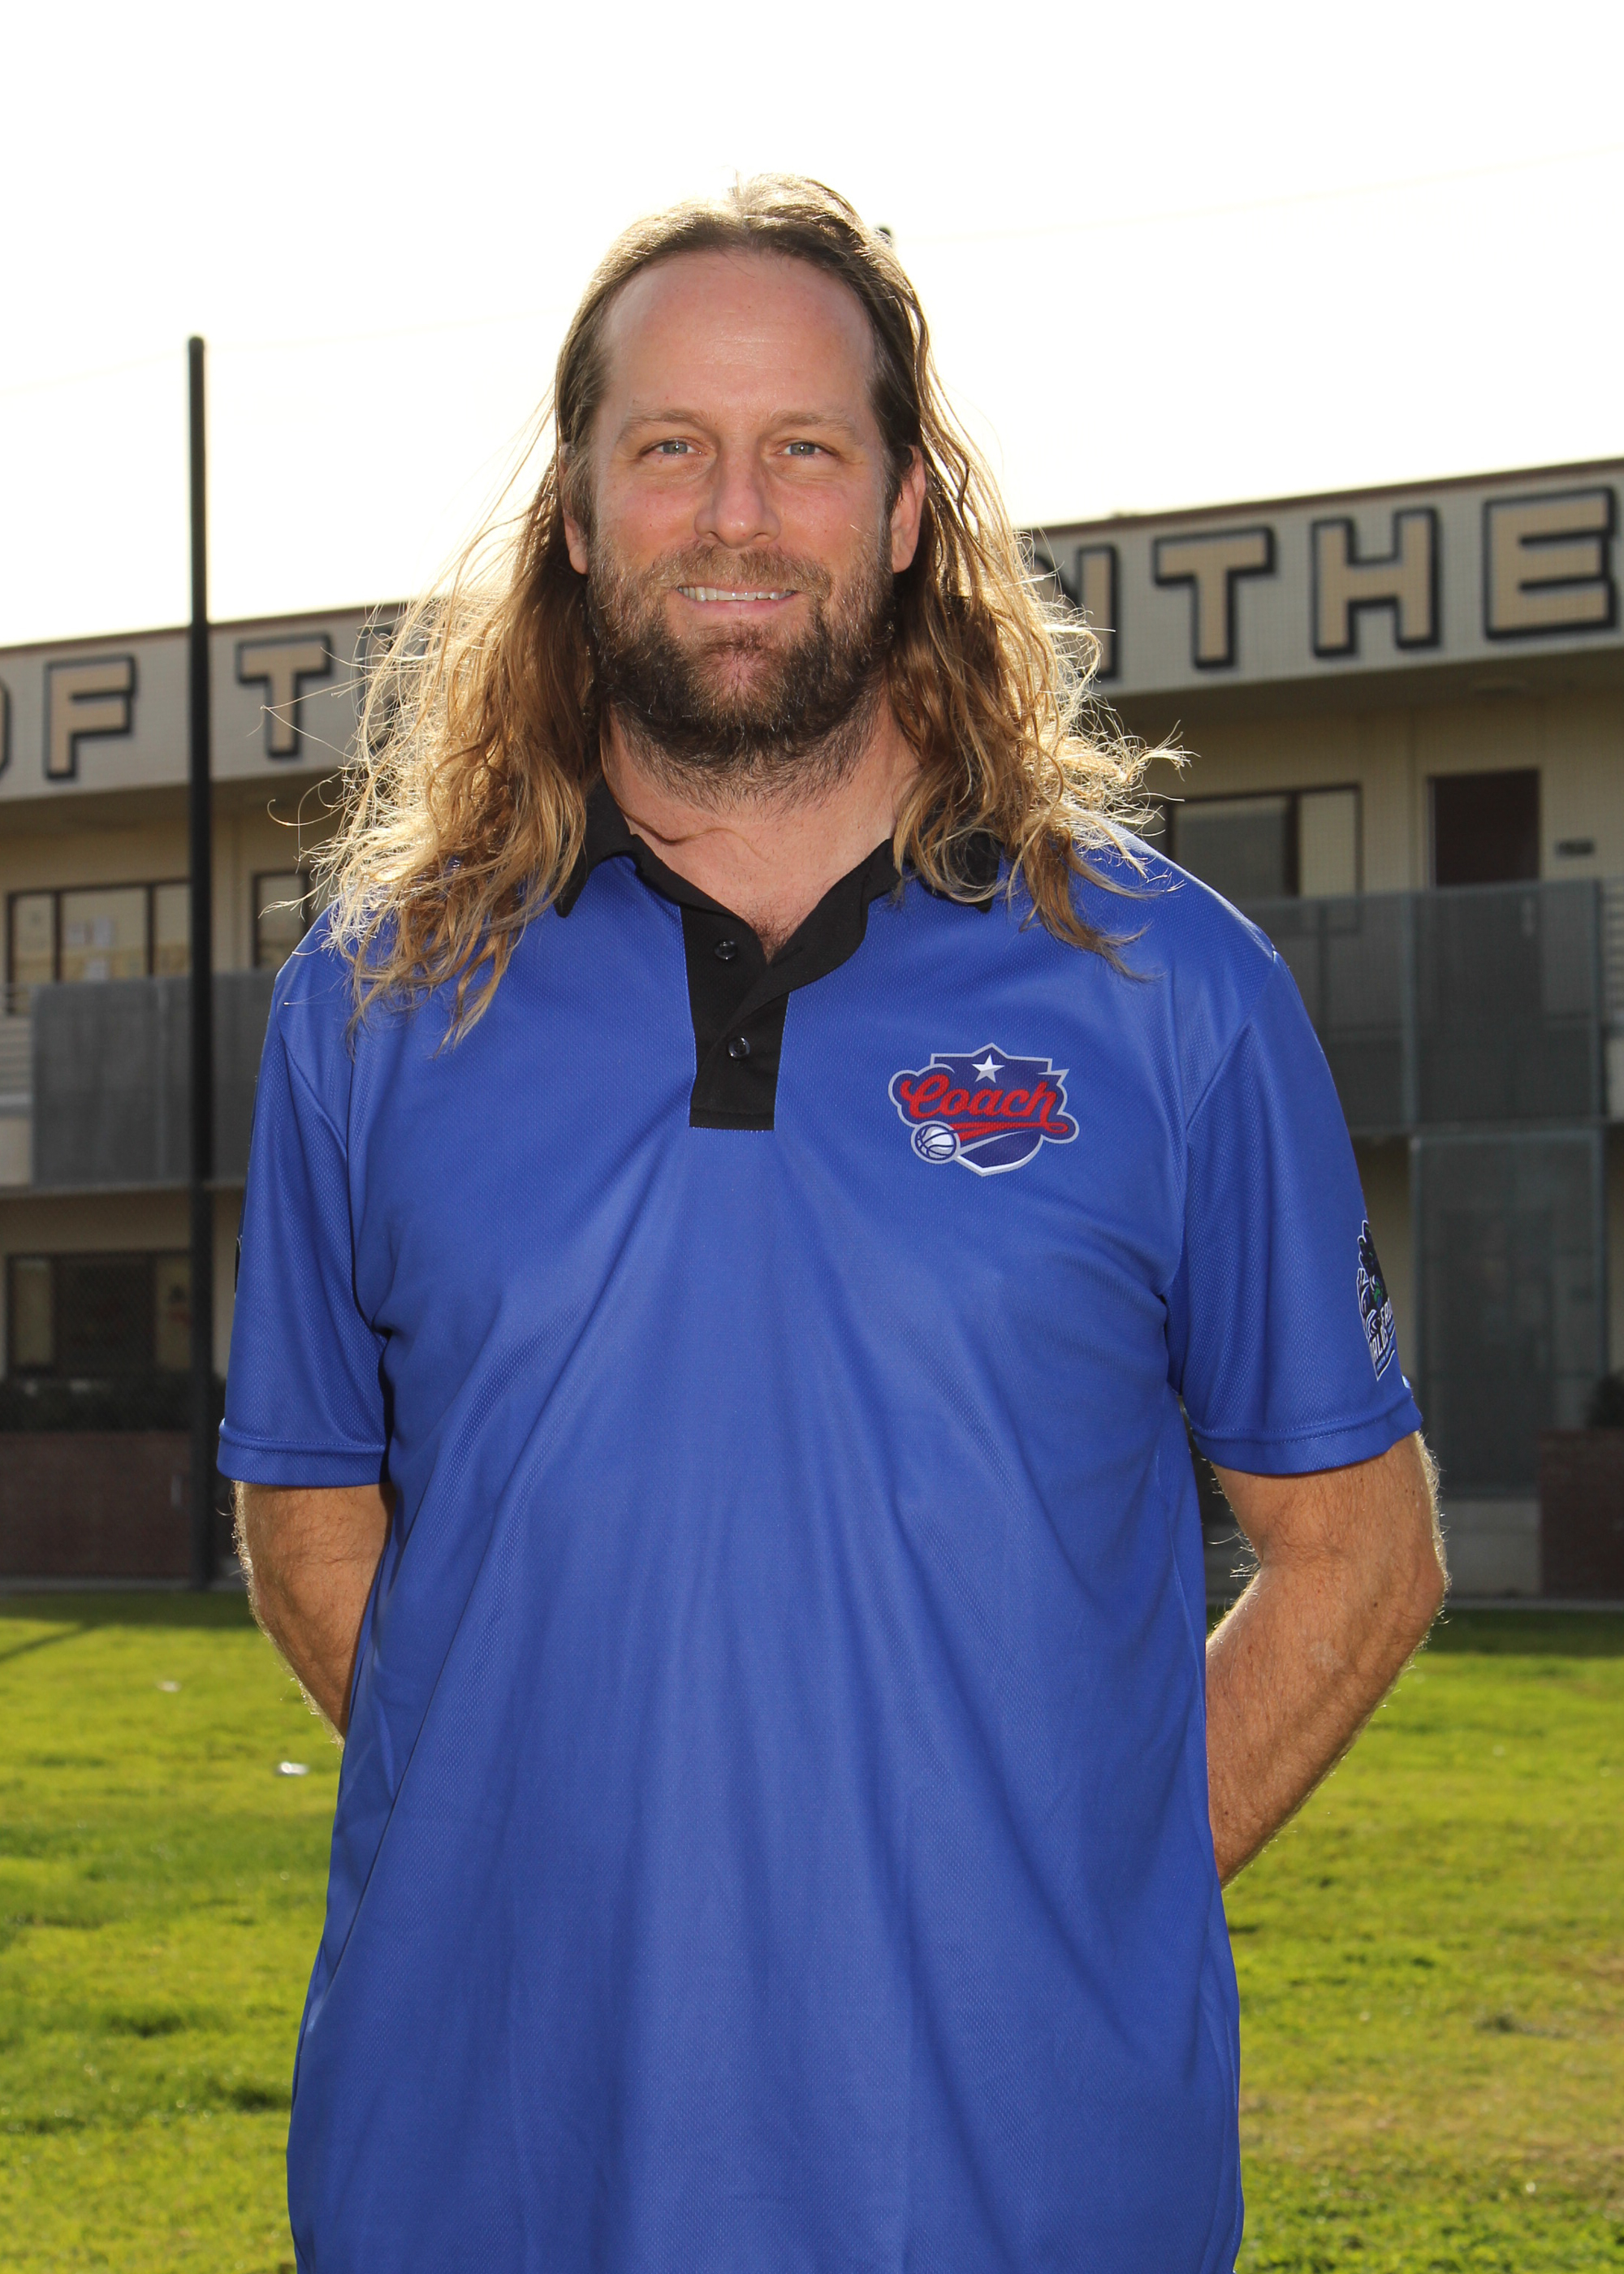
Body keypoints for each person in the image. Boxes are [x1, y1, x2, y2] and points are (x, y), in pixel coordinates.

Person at [222, 175, 1445, 2274]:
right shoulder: (374, 1000)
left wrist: (1067, 1888)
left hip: (1014, 2197)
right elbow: (315, 1528)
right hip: (476, 2182)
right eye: (668, 449)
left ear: (902, 514)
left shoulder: (1169, 994)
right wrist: (558, 1841)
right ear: (575, 513)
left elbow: (1363, 1555)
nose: (736, 514)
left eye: (802, 448)